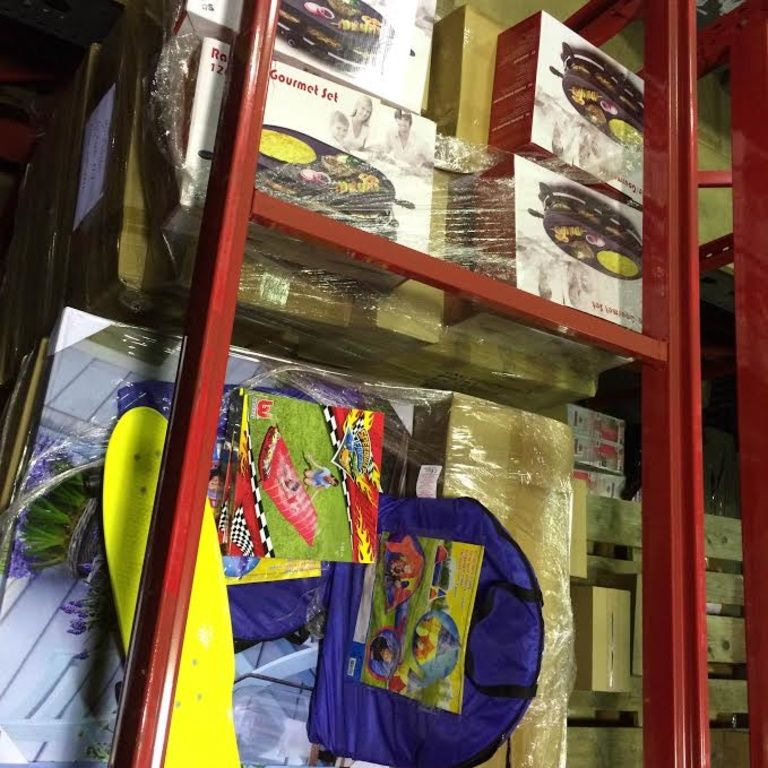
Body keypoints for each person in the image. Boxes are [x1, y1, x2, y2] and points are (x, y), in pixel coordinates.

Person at [375, 109, 432, 174]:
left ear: (410, 123)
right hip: (397, 172)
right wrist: (385, 157)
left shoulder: (420, 141)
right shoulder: (391, 133)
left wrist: (419, 170)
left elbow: (431, 162)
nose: (402, 122)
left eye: (406, 120)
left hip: (414, 175)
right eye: (400, 119)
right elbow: (385, 149)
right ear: (396, 120)